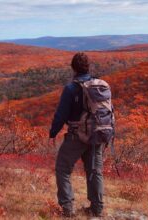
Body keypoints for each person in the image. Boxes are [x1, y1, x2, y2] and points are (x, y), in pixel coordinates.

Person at [49, 53, 104, 217]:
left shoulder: (71, 88)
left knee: (63, 169)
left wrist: (53, 132)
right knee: (95, 171)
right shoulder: (99, 86)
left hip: (76, 136)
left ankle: (67, 209)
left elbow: (61, 115)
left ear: (73, 68)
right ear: (89, 67)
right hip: (97, 135)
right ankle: (97, 208)